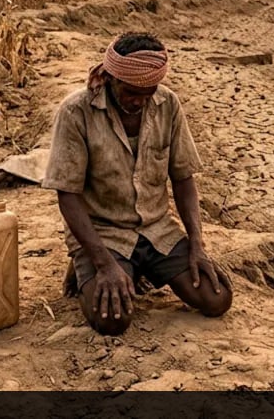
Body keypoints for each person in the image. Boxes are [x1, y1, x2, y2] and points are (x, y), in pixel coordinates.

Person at [42, 32, 232, 335]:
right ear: (110, 78)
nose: (140, 101)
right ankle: (86, 270)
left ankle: (136, 268)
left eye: (148, 92)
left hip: (157, 231)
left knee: (217, 299)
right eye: (131, 92)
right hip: (104, 234)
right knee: (112, 320)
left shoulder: (167, 104)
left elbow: (183, 178)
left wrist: (197, 245)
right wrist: (103, 264)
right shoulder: (76, 111)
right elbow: (67, 194)